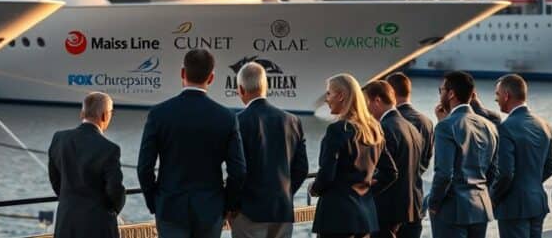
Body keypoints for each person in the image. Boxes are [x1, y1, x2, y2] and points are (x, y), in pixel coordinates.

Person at [138, 49, 246, 238]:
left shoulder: (158, 114)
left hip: (170, 208)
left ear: (182, 73)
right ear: (211, 78)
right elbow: (238, 171)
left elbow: (144, 168)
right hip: (210, 209)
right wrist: (228, 205)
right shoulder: (227, 118)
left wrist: (154, 202)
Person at [309, 73, 397, 238]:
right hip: (364, 217)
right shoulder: (374, 129)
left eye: (329, 93)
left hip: (336, 219)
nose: (326, 99)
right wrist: (365, 189)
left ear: (341, 96)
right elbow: (391, 173)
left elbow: (326, 175)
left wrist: (313, 189)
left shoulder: (337, 130)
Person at [231, 61, 309, 238]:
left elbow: (237, 170)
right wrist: (284, 194)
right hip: (282, 209)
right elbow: (301, 169)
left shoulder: (237, 122)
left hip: (248, 212)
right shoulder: (293, 121)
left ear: (241, 89)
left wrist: (232, 205)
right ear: (266, 86)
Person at [427, 70, 499, 238]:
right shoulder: (489, 126)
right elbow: (493, 171)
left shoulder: (446, 126)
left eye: (441, 91)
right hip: (480, 207)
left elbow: (444, 173)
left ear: (451, 94)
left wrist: (433, 203)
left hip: (452, 209)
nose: (440, 95)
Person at [47, 92, 126, 238]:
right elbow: (115, 190)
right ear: (104, 116)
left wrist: (69, 201)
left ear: (82, 113)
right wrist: (111, 210)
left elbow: (55, 179)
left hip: (66, 220)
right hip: (98, 224)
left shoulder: (59, 139)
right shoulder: (109, 148)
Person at [490, 74, 552, 238]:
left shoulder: (505, 128)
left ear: (506, 96)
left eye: (497, 95)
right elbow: (551, 166)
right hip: (537, 203)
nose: (496, 99)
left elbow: (505, 173)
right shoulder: (544, 125)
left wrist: (492, 198)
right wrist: (530, 184)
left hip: (514, 207)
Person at [362, 80, 424, 238]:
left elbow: (387, 171)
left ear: (377, 100)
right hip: (413, 209)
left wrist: (364, 188)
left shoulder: (384, 128)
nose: (365, 109)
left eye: (365, 103)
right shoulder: (411, 127)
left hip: (389, 212)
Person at [386, 72, 434, 238]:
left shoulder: (390, 122)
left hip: (392, 202)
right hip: (416, 199)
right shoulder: (427, 122)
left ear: (390, 92)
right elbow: (426, 160)